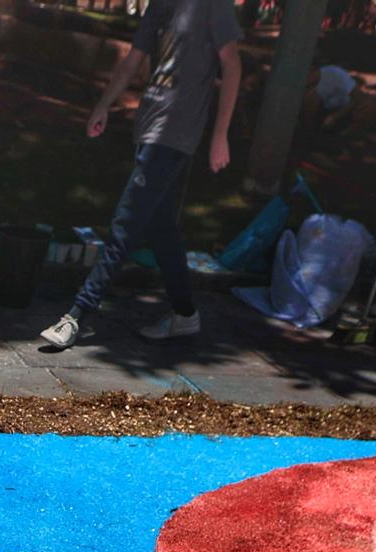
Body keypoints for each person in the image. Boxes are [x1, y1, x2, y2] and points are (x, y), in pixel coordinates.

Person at [39, 0, 242, 348]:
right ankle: (185, 314)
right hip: (148, 128)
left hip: (174, 134)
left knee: (125, 223)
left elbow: (233, 65)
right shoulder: (159, 7)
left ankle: (76, 315)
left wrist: (220, 134)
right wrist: (103, 105)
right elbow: (132, 61)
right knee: (161, 229)